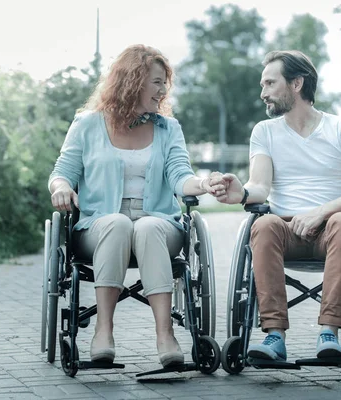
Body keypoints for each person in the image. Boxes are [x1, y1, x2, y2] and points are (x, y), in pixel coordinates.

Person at [48, 44, 226, 367]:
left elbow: (180, 176)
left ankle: (165, 334)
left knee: (147, 226)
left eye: (164, 83)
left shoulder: (168, 129)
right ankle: (103, 330)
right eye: (157, 82)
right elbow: (62, 173)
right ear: (133, 81)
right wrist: (60, 189)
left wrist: (203, 184)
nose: (163, 90)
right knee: (116, 224)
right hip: (98, 226)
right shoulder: (87, 125)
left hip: (158, 223)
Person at [213, 50, 341, 361]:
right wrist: (242, 193)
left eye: (269, 83)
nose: (263, 93)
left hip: (333, 228)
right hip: (285, 229)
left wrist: (320, 212)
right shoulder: (264, 132)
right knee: (262, 225)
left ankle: (329, 333)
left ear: (296, 84)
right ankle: (274, 336)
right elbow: (261, 186)